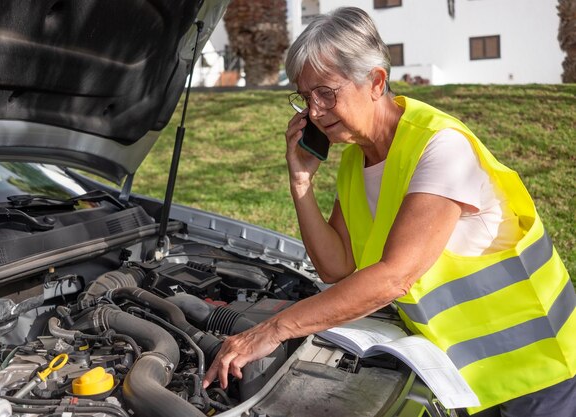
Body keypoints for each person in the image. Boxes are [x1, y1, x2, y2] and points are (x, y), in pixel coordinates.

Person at [203, 7, 576, 416]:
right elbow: (336, 266)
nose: (313, 112)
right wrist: (301, 184)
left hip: (540, 368)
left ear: (376, 81)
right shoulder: (355, 161)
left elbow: (395, 276)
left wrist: (275, 329)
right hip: (472, 378)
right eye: (305, 97)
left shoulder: (440, 147)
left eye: (326, 93)